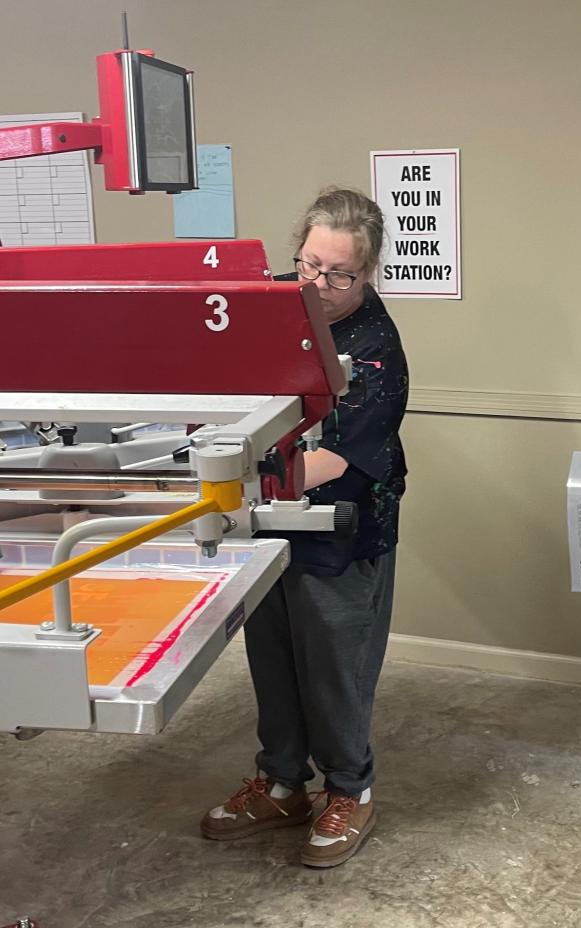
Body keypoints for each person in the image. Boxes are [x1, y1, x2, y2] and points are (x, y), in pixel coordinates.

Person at [200, 187, 409, 868]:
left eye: (338, 274)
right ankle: (284, 780)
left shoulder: (376, 349)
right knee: (273, 655)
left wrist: (238, 477)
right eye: (308, 265)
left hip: (340, 529)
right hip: (267, 523)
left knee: (334, 665)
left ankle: (351, 788)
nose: (317, 285)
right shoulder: (278, 303)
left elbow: (335, 456)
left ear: (368, 273)